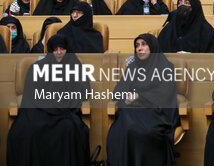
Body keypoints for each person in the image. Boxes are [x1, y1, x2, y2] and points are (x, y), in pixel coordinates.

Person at [7, 34, 91, 166]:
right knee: (24, 130)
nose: (58, 52)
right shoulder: (38, 67)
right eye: (55, 49)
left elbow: (84, 91)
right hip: (40, 111)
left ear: (67, 49)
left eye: (62, 49)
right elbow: (32, 94)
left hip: (65, 112)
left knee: (68, 129)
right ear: (50, 50)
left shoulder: (74, 65)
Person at [106, 34, 180, 166]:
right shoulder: (132, 68)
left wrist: (138, 96)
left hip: (156, 114)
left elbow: (164, 94)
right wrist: (126, 97)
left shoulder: (165, 67)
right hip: (131, 114)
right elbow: (117, 92)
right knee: (120, 132)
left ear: (152, 47)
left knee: (140, 131)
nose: (139, 48)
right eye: (137, 45)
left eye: (144, 44)